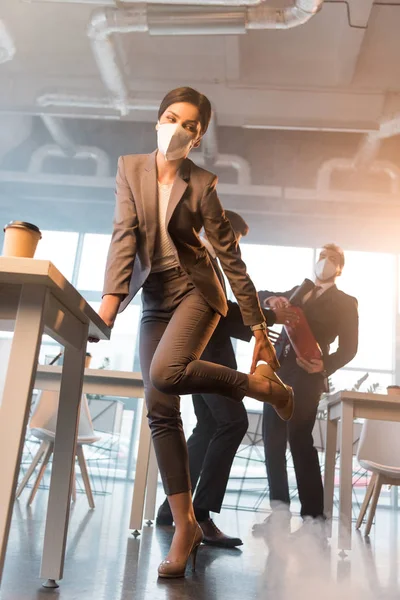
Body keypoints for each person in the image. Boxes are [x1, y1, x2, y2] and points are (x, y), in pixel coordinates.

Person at [92, 87, 293, 578]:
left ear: (198, 135)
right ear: (157, 120)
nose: (176, 128)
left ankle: (259, 387)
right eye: (170, 117)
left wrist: (260, 329)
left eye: (189, 124)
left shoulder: (202, 183)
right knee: (161, 409)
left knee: (167, 372)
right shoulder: (129, 168)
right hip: (154, 299)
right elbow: (124, 236)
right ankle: (185, 524)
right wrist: (109, 306)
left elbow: (231, 259)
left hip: (196, 293)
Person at [156, 210, 282, 548]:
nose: (234, 245)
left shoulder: (204, 260)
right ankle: (200, 512)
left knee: (209, 427)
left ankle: (172, 509)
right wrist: (265, 318)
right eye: (234, 238)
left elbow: (222, 310)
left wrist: (262, 322)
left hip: (198, 355)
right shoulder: (198, 259)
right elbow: (219, 311)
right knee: (233, 423)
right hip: (205, 357)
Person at [254, 244, 358, 529]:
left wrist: (324, 366)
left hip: (307, 376)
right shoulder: (297, 292)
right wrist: (272, 300)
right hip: (277, 371)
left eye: (332, 258)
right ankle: (279, 512)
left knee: (299, 440)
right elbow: (260, 297)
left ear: (339, 268)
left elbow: (349, 348)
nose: (325, 261)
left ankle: (313, 517)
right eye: (322, 256)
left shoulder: (346, 302)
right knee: (272, 441)